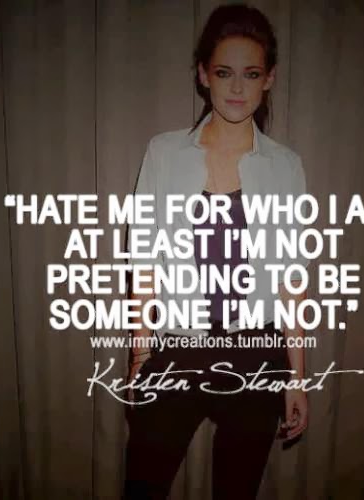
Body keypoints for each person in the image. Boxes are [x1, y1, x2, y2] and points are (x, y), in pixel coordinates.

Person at [123, 5, 308, 499]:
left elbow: (291, 279)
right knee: (142, 487)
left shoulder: (286, 167)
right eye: (225, 72)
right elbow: (144, 261)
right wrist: (141, 354)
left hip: (257, 354)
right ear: (204, 75)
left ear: (269, 79)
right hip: (177, 348)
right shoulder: (164, 153)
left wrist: (296, 378)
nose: (237, 88)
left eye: (252, 74)